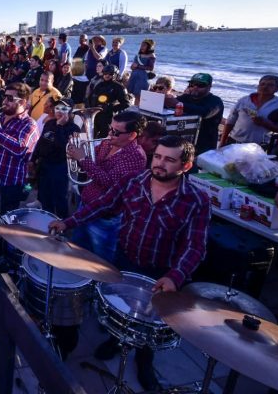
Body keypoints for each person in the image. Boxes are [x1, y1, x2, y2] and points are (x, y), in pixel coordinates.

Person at [49, 136, 210, 391]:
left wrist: (175, 276)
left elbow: (195, 245)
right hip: (125, 258)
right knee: (121, 307)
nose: (159, 164)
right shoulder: (134, 182)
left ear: (185, 166)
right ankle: (115, 341)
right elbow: (103, 204)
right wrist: (69, 222)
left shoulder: (196, 200)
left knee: (151, 319)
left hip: (161, 271)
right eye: (157, 156)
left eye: (169, 160)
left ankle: (145, 361)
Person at [66, 111, 147, 263]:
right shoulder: (107, 142)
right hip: (85, 206)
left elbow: (110, 183)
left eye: (116, 132)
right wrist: (76, 155)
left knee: (100, 262)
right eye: (110, 128)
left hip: (105, 218)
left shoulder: (136, 156)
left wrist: (82, 159)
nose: (110, 133)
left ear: (132, 135)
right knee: (77, 251)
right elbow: (90, 165)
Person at [0, 82, 40, 212]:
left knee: (4, 223)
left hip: (8, 186)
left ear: (22, 102)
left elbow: (20, 150)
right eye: (5, 97)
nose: (4, 101)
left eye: (10, 98)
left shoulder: (29, 124)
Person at [31, 99, 80, 218]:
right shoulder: (49, 123)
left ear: (70, 111)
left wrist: (59, 127)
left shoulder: (74, 128)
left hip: (60, 166)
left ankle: (62, 223)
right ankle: (48, 221)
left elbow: (64, 146)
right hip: (45, 164)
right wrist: (33, 159)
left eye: (64, 109)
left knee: (59, 197)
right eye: (57, 108)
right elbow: (41, 142)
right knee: (45, 195)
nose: (59, 111)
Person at [219, 75, 278, 149]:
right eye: (262, 84)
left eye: (270, 85)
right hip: (234, 141)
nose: (265, 87)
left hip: (259, 146)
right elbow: (230, 122)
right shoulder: (244, 100)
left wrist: (265, 124)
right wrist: (223, 141)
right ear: (258, 86)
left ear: (277, 89)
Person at [164, 73, 224, 155]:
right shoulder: (185, 98)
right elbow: (171, 104)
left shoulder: (215, 101)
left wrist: (179, 105)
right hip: (184, 143)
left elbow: (205, 112)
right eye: (192, 84)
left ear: (209, 87)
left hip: (204, 147)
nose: (195, 87)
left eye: (200, 85)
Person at [89, 65, 130, 138]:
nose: (107, 75)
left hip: (108, 117)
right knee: (91, 137)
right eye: (105, 73)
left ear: (115, 74)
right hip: (95, 116)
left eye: (110, 73)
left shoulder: (119, 87)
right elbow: (91, 97)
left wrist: (110, 107)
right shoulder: (99, 85)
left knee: (104, 139)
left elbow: (126, 104)